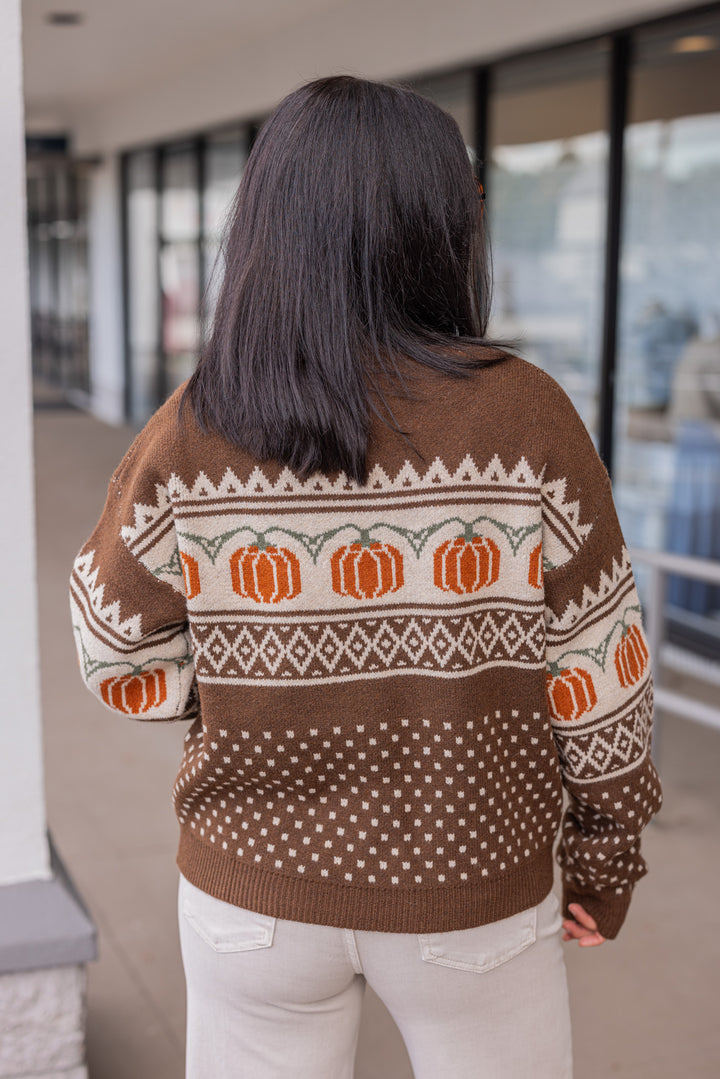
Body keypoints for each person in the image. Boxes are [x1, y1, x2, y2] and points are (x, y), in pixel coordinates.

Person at [69, 76, 663, 1079]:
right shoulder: (525, 417)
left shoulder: (198, 421)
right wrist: (606, 862)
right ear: (439, 229)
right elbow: (603, 679)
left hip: (249, 893)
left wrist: (241, 679)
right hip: (470, 885)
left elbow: (111, 643)